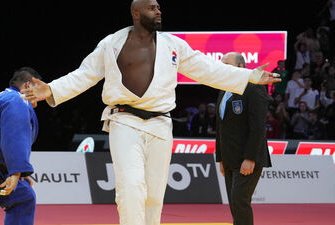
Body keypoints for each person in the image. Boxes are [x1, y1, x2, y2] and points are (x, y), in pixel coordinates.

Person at [21, 1, 280, 224]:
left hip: (160, 124)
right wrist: (52, 89)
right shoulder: (112, 43)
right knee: (131, 187)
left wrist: (252, 76)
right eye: (152, 7)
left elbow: (210, 69)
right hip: (123, 120)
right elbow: (85, 73)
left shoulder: (173, 45)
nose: (158, 11)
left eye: (158, 7)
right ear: (136, 13)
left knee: (155, 195)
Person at [0, 67, 41, 225]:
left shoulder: (2, 97)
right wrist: (17, 170)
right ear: (27, 86)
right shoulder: (18, 99)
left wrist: (16, 170)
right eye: (38, 89)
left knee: (23, 198)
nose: (41, 96)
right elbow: (13, 135)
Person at [215, 52, 272, 225]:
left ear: (240, 67)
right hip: (229, 157)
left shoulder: (253, 87)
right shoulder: (223, 89)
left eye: (226, 63)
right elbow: (220, 127)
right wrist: (221, 159)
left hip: (247, 157)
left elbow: (258, 127)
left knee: (240, 201)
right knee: (234, 202)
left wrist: (250, 158)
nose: (221, 66)